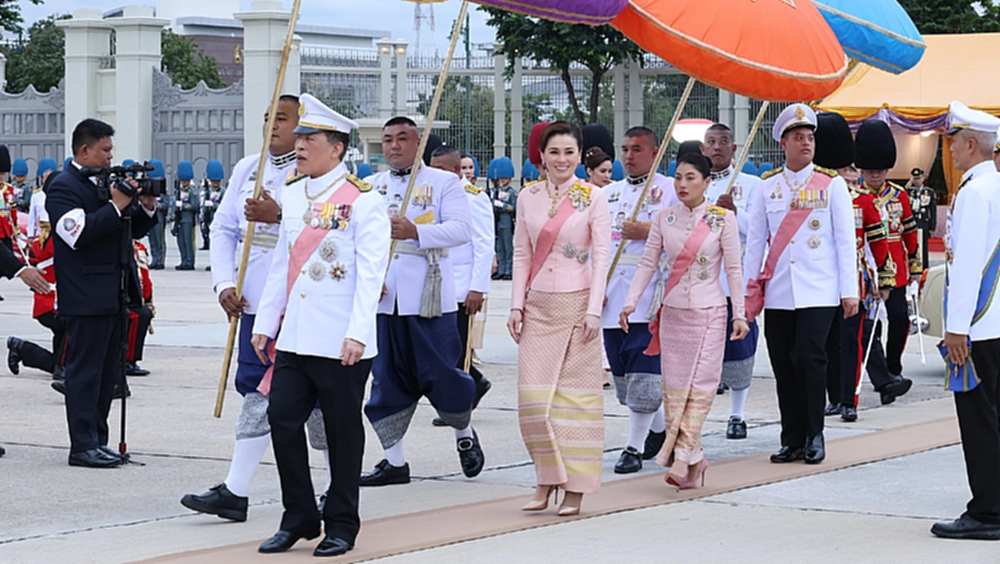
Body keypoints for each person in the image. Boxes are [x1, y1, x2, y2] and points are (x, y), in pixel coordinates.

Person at [182, 94, 334, 523]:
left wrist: (277, 211)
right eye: (268, 117)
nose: (272, 125)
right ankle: (236, 490)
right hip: (255, 306)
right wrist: (224, 282)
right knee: (254, 389)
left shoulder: (319, 174)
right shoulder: (248, 168)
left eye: (282, 119)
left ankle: (330, 487)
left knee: (320, 400)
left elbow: (330, 225)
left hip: (305, 305)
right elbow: (224, 227)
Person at [249, 94, 388, 557]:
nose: (301, 144)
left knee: (343, 433)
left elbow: (371, 274)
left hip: (340, 340)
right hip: (295, 336)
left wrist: (358, 333)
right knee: (282, 420)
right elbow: (279, 267)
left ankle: (343, 524)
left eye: (311, 138)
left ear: (337, 147)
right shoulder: (292, 193)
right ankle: (300, 516)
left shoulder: (364, 201)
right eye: (301, 136)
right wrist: (266, 321)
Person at [360, 116, 484, 487]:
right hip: (386, 298)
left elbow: (462, 230)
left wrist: (417, 232)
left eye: (402, 139)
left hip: (430, 297)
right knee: (386, 378)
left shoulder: (445, 182)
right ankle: (394, 462)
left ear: (418, 143)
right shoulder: (369, 187)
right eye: (387, 140)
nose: (394, 146)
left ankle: (464, 433)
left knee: (442, 374)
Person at [621, 151, 748, 489]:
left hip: (710, 314)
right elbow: (648, 264)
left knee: (701, 388)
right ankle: (695, 460)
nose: (682, 184)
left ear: (707, 183)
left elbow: (734, 270)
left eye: (691, 177)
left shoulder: (723, 219)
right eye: (678, 177)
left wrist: (740, 314)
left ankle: (678, 456)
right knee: (676, 391)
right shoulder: (665, 218)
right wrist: (630, 302)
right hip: (674, 314)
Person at [743, 104, 859, 466]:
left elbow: (844, 241)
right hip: (779, 291)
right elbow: (757, 242)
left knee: (810, 359)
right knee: (783, 364)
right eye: (798, 137)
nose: (805, 143)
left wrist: (849, 289)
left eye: (809, 137)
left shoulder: (832, 184)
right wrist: (748, 290)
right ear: (783, 143)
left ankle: (814, 434)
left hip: (819, 289)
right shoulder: (768, 186)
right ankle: (790, 438)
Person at [508, 121, 610, 515]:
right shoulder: (527, 197)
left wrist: (594, 310)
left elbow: (602, 256)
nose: (561, 160)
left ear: (579, 155)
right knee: (534, 402)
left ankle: (575, 490)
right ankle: (546, 477)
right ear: (542, 157)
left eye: (569, 152)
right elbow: (520, 253)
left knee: (575, 404)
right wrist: (516, 305)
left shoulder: (593, 197)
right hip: (538, 307)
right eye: (554, 152)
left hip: (579, 306)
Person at [45, 118, 158, 468]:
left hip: (115, 292)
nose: (111, 157)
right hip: (85, 294)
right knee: (84, 372)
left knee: (109, 373)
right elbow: (76, 234)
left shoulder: (109, 184)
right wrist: (115, 206)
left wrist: (146, 204)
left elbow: (133, 229)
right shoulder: (62, 187)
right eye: (105, 150)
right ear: (85, 150)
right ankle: (81, 444)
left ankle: (98, 440)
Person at [932, 102, 1000, 541]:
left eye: (954, 141)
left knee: (978, 420)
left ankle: (988, 510)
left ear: (971, 144)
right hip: (997, 323)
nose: (950, 150)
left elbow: (969, 265)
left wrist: (957, 328)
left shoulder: (975, 193)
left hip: (976, 326)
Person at [812, 112, 908, 423]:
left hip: (854, 281)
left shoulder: (863, 201)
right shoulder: (811, 198)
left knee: (852, 342)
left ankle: (849, 399)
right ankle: (833, 398)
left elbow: (880, 243)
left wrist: (885, 277)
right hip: (820, 279)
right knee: (827, 343)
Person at [601, 126, 676, 474]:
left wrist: (648, 232)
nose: (629, 156)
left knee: (643, 372)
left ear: (654, 152)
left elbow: (687, 232)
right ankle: (659, 431)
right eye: (625, 149)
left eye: (637, 149)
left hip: (649, 293)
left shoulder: (669, 191)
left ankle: (632, 447)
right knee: (623, 376)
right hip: (612, 293)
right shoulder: (608, 194)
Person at [701, 123, 761, 439]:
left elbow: (760, 233)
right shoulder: (689, 183)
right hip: (699, 284)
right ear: (702, 149)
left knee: (740, 352)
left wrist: (735, 213)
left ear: (734, 148)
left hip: (735, 282)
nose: (717, 147)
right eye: (711, 142)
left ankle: (737, 415)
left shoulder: (752, 186)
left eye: (724, 141)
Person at [428, 145, 494, 427]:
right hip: (435, 284)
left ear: (457, 170)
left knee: (458, 350)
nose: (434, 175)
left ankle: (462, 403)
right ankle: (474, 386)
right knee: (439, 348)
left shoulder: (473, 198)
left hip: (462, 286)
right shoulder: (430, 196)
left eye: (441, 169)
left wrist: (477, 288)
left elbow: (483, 244)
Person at [855, 120, 921, 383]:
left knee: (900, 318)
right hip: (867, 268)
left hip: (896, 271)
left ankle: (894, 365)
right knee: (873, 324)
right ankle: (879, 372)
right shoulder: (854, 196)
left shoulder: (899, 196)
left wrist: (916, 267)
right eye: (870, 170)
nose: (875, 175)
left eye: (881, 169)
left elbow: (910, 233)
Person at [7, 174, 65, 381]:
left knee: (64, 352)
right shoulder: (52, 229)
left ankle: (22, 349)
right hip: (50, 302)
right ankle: (59, 367)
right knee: (69, 327)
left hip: (55, 300)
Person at [490, 157, 517, 281]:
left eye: (505, 178)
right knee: (499, 248)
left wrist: (502, 205)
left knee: (508, 248)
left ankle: (508, 270)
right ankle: (501, 270)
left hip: (507, 223)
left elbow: (514, 207)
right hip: (498, 223)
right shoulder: (496, 192)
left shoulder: (512, 192)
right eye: (501, 178)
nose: (503, 180)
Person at [906, 167, 937, 271]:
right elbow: (902, 195)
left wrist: (932, 227)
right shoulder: (910, 191)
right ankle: (913, 267)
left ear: (923, 178)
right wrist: (909, 184)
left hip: (924, 222)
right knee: (913, 245)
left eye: (919, 178)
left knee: (924, 246)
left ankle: (924, 267)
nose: (917, 181)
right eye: (915, 178)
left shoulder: (929, 192)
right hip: (913, 223)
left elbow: (932, 211)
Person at [171, 160, 199, 270]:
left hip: (188, 219)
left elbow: (194, 205)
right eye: (183, 180)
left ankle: (190, 261)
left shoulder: (192, 191)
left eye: (186, 180)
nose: (184, 182)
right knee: (180, 241)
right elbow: (173, 204)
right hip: (179, 219)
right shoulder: (178, 191)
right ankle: (183, 260)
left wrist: (183, 206)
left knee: (188, 241)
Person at [27, 159, 59, 240]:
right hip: (41, 233)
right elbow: (32, 217)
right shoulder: (36, 195)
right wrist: (30, 235)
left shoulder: (60, 193)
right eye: (47, 177)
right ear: (42, 179)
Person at [200, 159, 226, 254]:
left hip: (218, 218)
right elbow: (204, 204)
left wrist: (214, 205)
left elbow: (224, 205)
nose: (215, 182)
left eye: (217, 181)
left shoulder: (223, 191)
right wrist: (203, 217)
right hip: (209, 218)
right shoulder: (208, 191)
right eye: (214, 180)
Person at [146, 159, 167, 269]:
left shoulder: (163, 190)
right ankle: (154, 259)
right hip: (151, 217)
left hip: (159, 218)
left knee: (159, 240)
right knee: (152, 240)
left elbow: (166, 203)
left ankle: (160, 260)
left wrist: (158, 205)